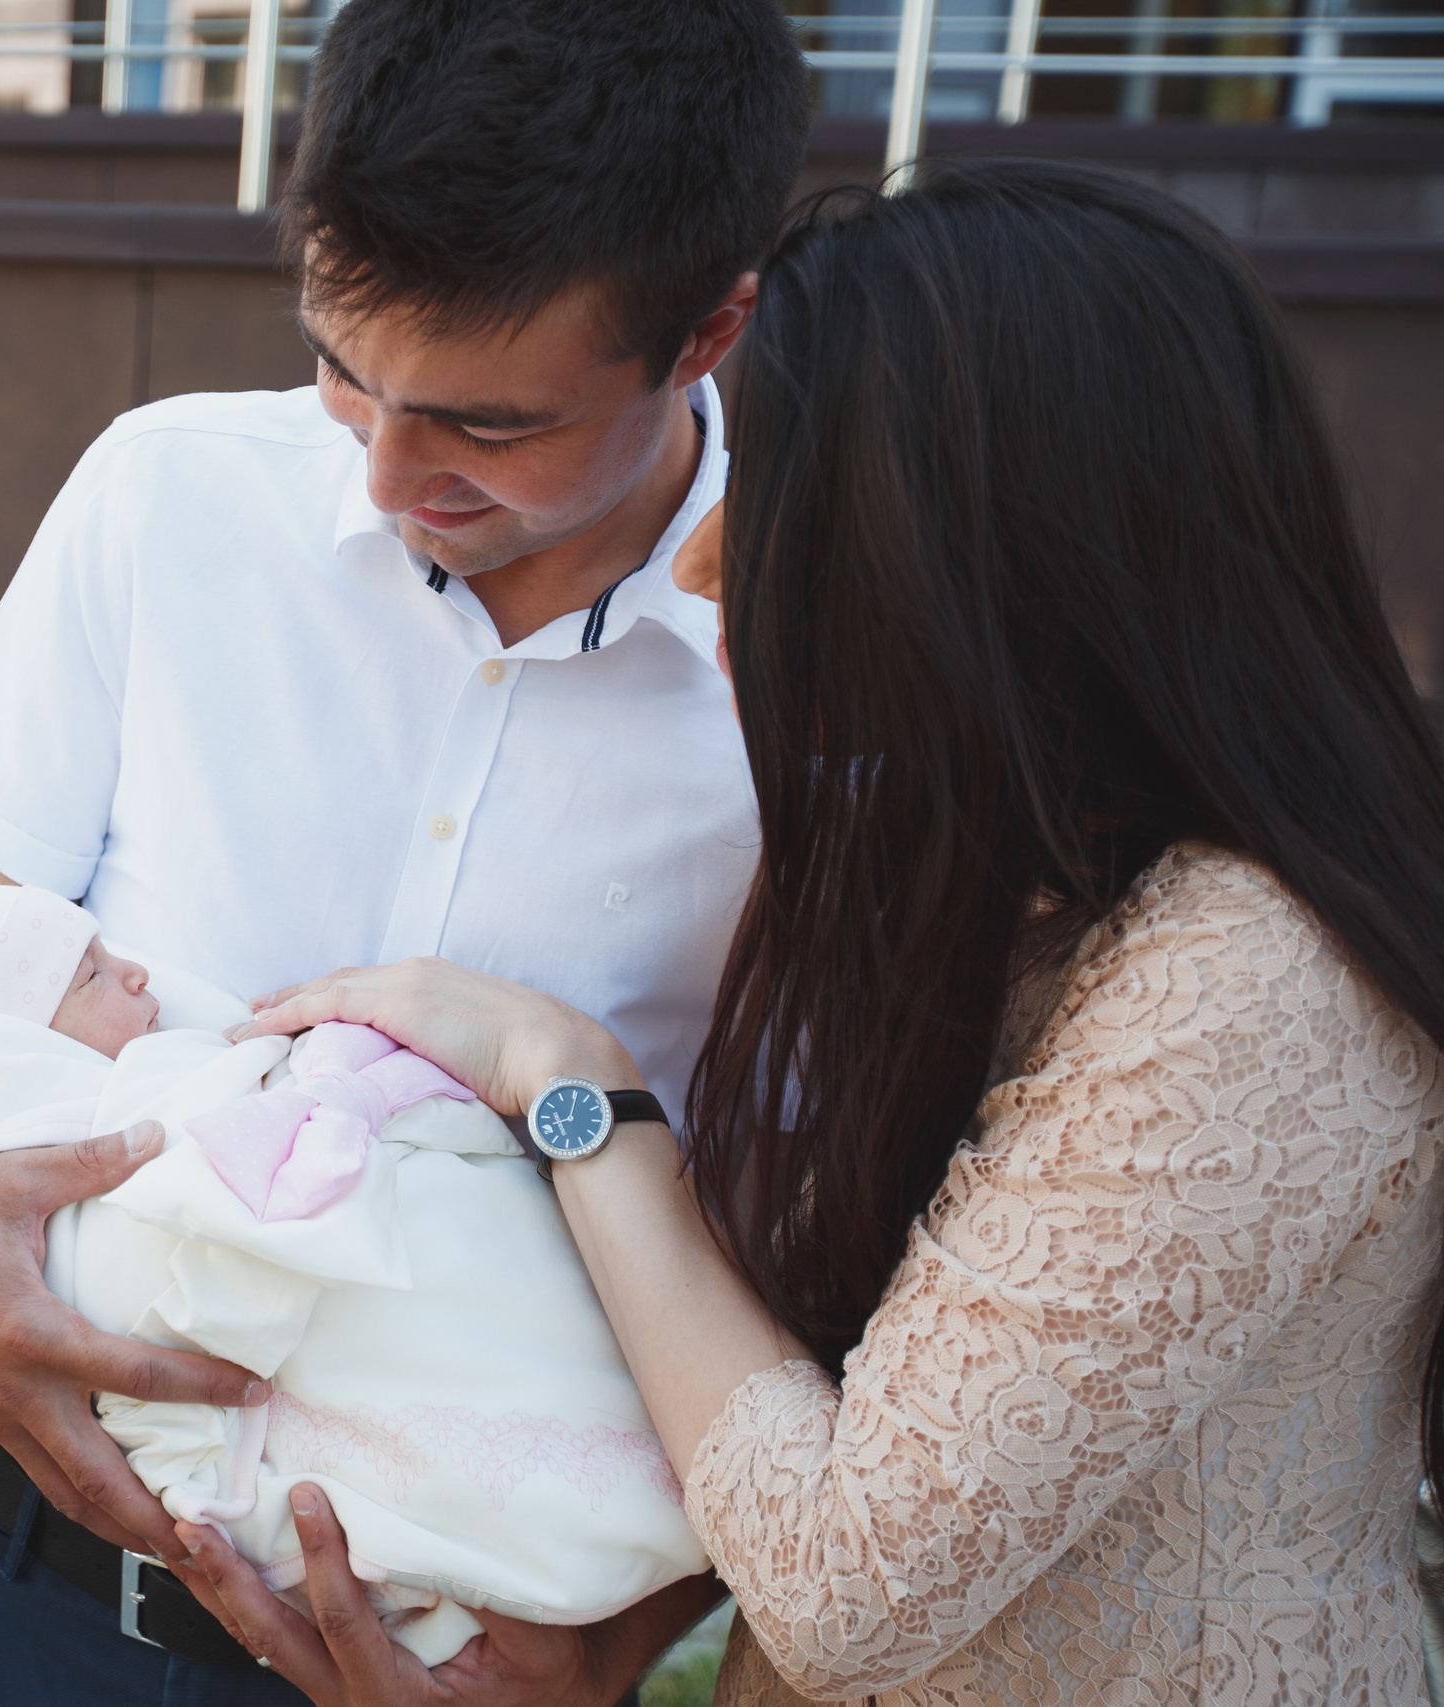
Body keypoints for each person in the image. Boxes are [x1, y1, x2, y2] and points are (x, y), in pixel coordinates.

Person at [181, 161, 1444, 1705]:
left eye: (775, 499)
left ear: (983, 560)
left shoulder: (1245, 982)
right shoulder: (1037, 884)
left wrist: (574, 1091)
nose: (708, 564)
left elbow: (846, 1575)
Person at [0, 1, 813, 1699]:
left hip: (474, 1652)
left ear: (709, 326)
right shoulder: (165, 494)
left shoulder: (830, 655)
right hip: (36, 1602)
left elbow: (828, 1233)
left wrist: (619, 1649)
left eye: (490, 425)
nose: (387, 465)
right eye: (344, 369)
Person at [0, 886, 708, 1668]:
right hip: (31, 1593)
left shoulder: (181, 1077)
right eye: (88, 974)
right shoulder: (111, 1145)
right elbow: (203, 1274)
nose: (133, 968)